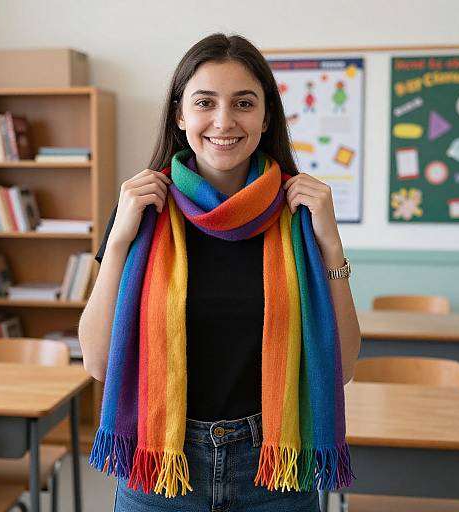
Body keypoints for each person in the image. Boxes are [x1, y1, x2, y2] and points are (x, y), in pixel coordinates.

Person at [78, 32, 361, 512]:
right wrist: (120, 238)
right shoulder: (144, 211)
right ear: (180, 115)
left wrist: (331, 246)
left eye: (243, 103)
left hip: (274, 467)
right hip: (162, 467)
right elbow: (97, 361)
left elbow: (346, 363)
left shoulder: (300, 217)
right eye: (205, 102)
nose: (224, 121)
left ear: (266, 115)